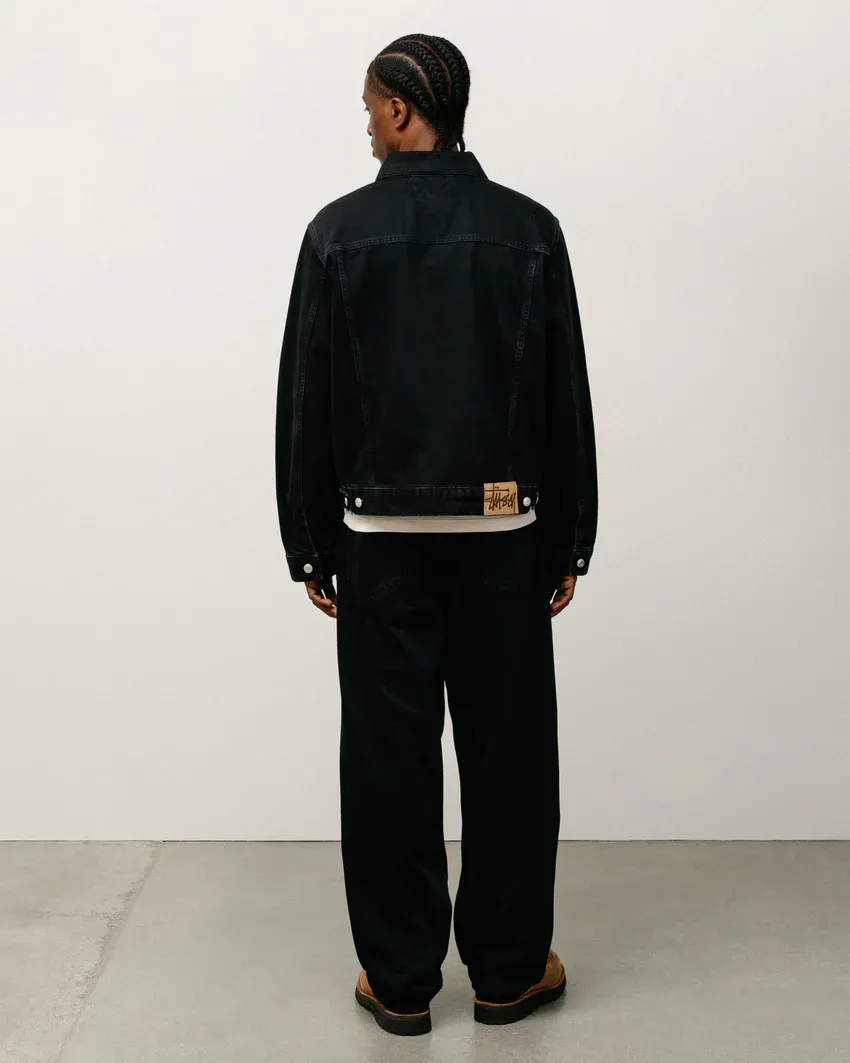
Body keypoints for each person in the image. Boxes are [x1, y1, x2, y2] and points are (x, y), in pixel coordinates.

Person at [274, 33, 598, 1037]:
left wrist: (308, 539)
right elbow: (562, 393)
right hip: (503, 535)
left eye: (370, 108)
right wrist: (569, 538)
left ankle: (401, 980)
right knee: (509, 756)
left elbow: (306, 395)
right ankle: (507, 972)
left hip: (379, 540)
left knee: (388, 761)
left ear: (403, 110)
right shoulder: (528, 230)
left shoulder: (337, 232)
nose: (366, 126)